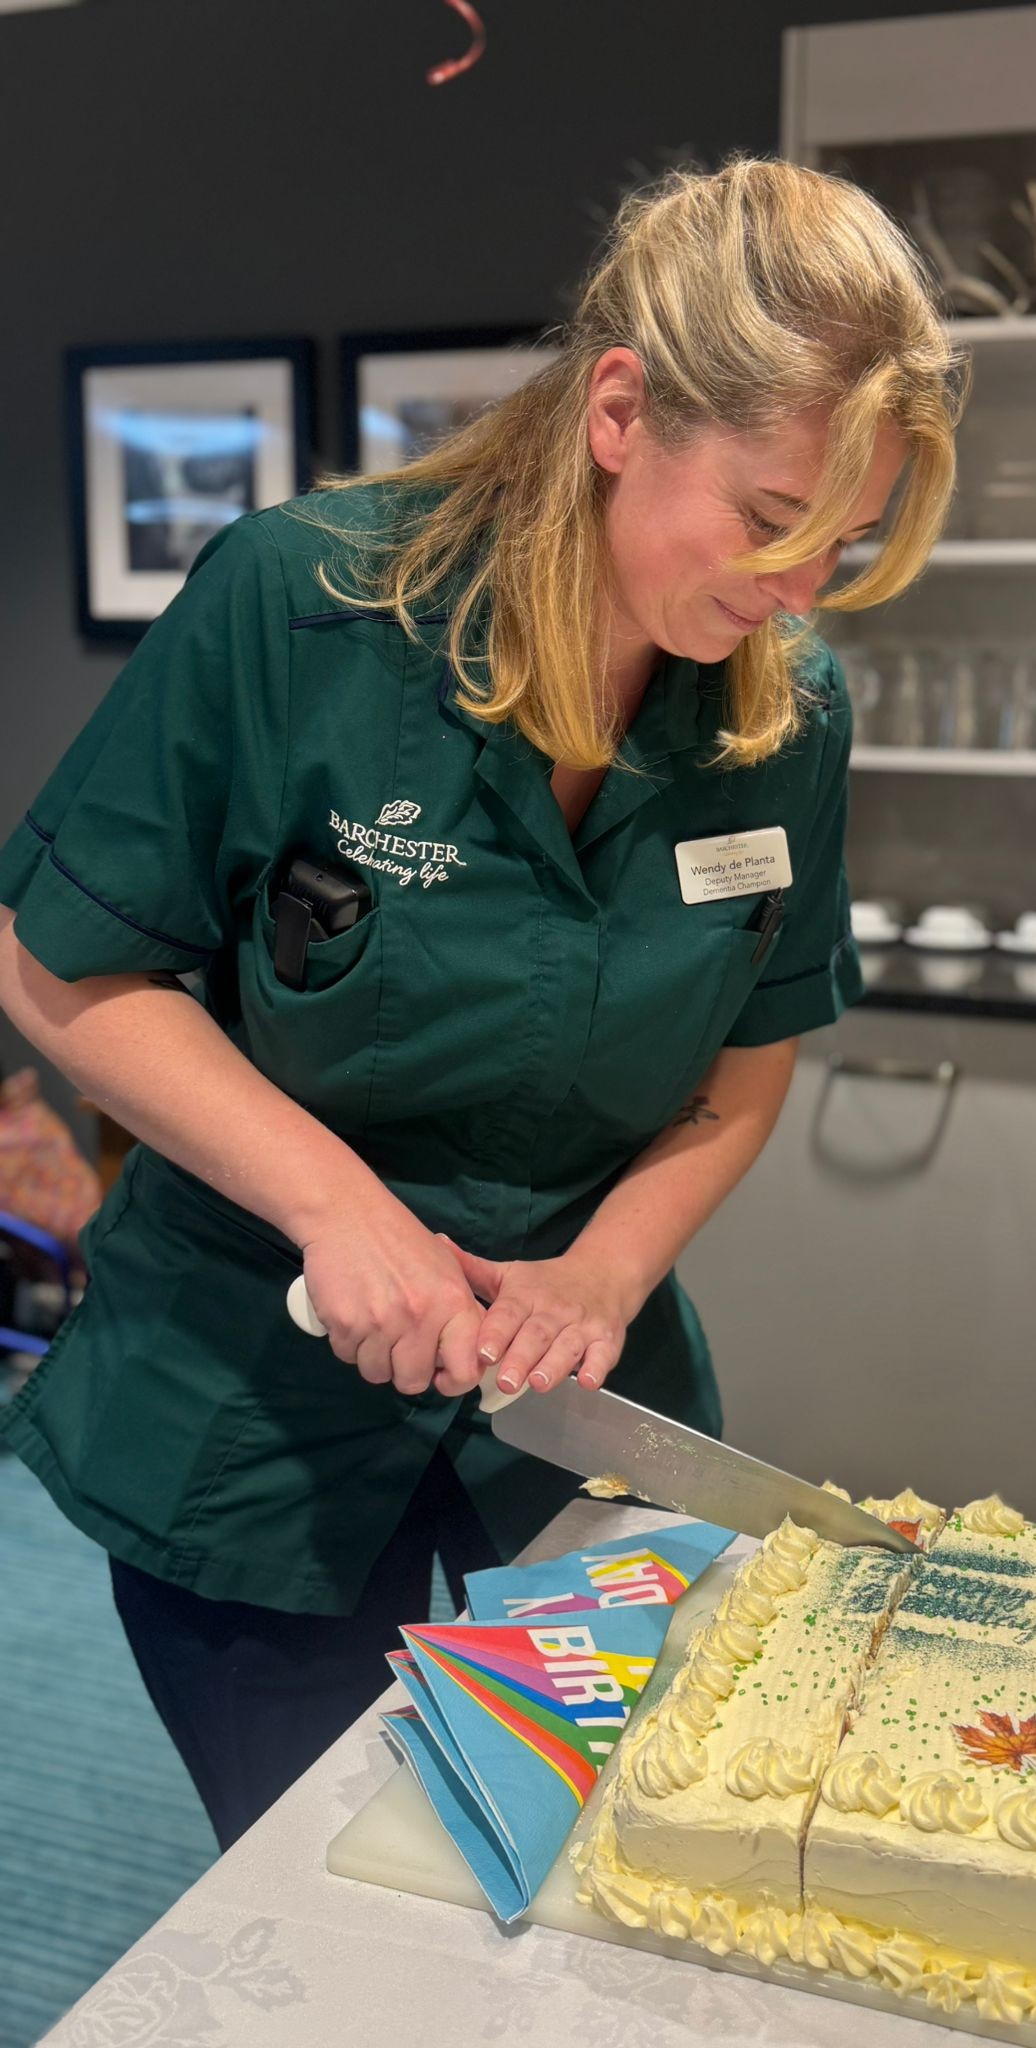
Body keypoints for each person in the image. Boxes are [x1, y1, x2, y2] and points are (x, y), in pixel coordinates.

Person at [0, 154, 968, 1850]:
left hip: (574, 1418)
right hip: (251, 1420)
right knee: (352, 1898)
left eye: (851, 542)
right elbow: (54, 963)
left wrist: (607, 1270)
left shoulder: (785, 712)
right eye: (769, 523)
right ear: (620, 411)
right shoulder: (302, 611)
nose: (802, 592)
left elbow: (747, 1071)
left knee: (597, 1865)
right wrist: (338, 1211)